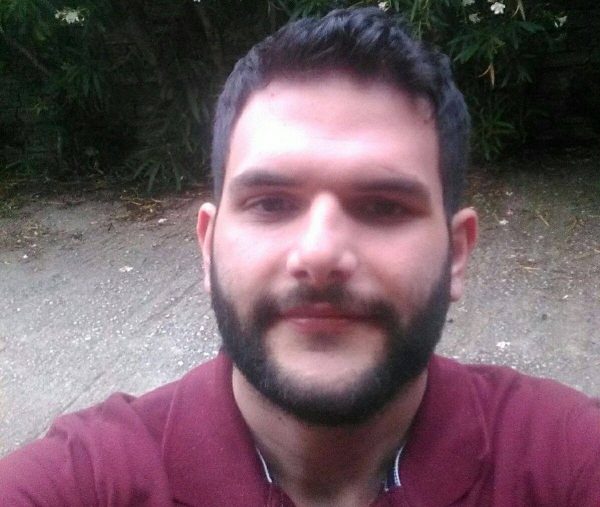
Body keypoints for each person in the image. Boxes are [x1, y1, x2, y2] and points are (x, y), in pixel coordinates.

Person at [1, 7, 599, 506]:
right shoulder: (87, 480)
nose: (319, 253)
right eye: (270, 203)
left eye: (384, 206)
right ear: (208, 246)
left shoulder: (563, 460)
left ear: (458, 254)